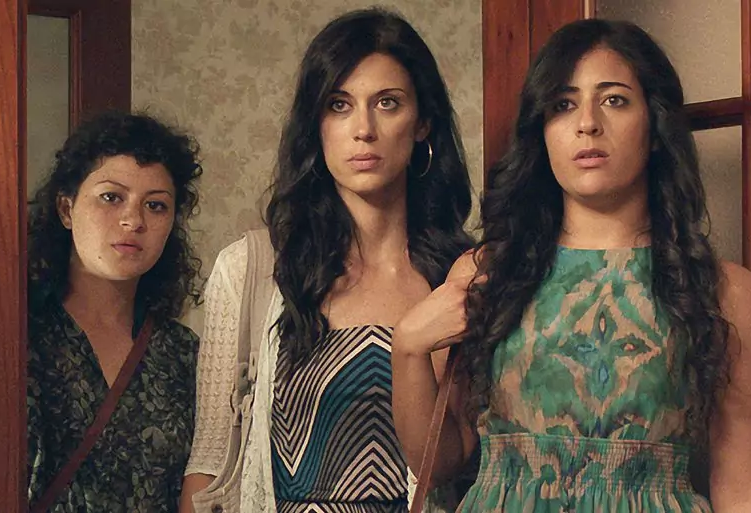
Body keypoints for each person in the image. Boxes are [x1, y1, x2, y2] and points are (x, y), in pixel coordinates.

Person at [392, 19, 751, 512]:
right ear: (542, 131)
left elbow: (744, 486)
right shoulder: (486, 274)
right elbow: (441, 460)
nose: (587, 123)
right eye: (563, 104)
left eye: (614, 100)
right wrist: (407, 348)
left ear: (655, 127)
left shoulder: (725, 293)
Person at [182, 7, 474, 512]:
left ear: (423, 123)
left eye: (387, 103)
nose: (363, 129)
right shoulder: (253, 270)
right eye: (339, 105)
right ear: (315, 125)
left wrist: (413, 344)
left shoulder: (459, 277)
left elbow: (453, 463)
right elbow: (209, 463)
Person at [26, 111, 206, 511]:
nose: (133, 220)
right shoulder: (19, 337)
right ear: (66, 209)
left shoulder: (182, 355)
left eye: (155, 206)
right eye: (111, 197)